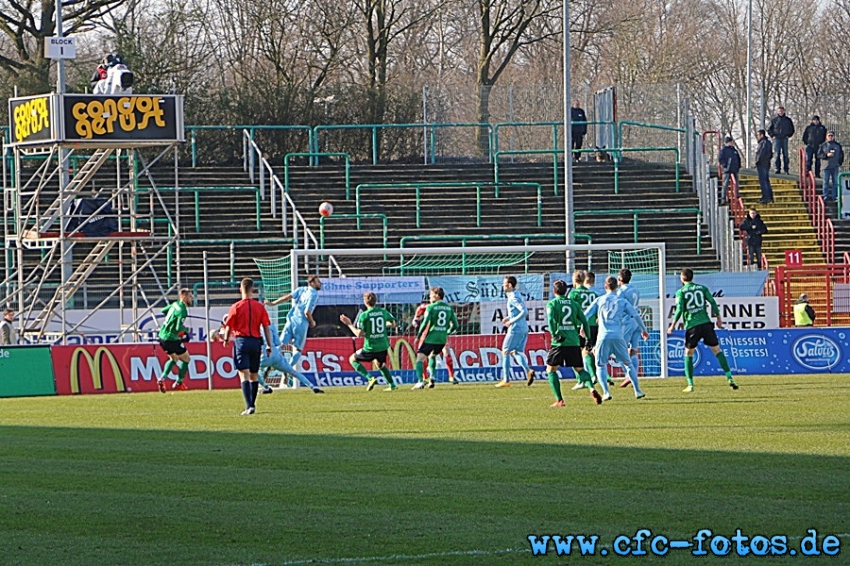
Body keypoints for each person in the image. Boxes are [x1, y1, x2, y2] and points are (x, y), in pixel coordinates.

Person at [667, 268, 738, 392]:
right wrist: (719, 318)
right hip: (706, 324)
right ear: (692, 277)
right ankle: (729, 378)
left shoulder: (681, 292)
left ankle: (690, 384)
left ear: (682, 278)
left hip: (692, 326)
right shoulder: (702, 288)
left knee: (688, 353)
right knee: (717, 350)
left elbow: (679, 309)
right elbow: (712, 302)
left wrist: (672, 325)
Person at [584, 276, 649, 401]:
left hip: (603, 336)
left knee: (601, 365)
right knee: (628, 364)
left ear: (605, 287)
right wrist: (644, 330)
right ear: (617, 286)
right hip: (618, 336)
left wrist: (582, 328)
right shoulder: (622, 301)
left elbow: (586, 315)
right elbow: (635, 314)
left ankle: (606, 392)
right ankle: (637, 390)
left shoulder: (599, 300)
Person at [545, 279, 601, 407]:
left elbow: (551, 320)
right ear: (566, 291)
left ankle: (560, 400)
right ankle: (591, 388)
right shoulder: (574, 304)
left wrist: (554, 334)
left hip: (559, 343)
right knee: (580, 369)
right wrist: (587, 339)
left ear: (554, 291)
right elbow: (584, 321)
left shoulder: (552, 304)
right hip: (574, 341)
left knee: (551, 370)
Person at [222, 278, 274, 415]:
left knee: (243, 374)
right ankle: (253, 405)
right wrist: (269, 345)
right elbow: (266, 327)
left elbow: (229, 326)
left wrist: (226, 339)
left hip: (242, 341)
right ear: (253, 289)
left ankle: (249, 405)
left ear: (241, 289)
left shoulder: (236, 307)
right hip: (256, 342)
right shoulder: (260, 307)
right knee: (254, 375)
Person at [340, 292, 397, 392]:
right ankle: (392, 385)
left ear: (365, 302)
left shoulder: (364, 315)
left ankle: (370, 378)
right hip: (383, 346)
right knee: (380, 365)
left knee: (352, 359)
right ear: (376, 301)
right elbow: (393, 324)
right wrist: (381, 326)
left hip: (370, 347)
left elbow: (358, 333)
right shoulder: (383, 312)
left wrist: (349, 324)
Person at [266, 274, 322, 369]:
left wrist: (273, 303)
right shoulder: (314, 294)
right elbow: (307, 312)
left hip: (291, 320)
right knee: (298, 350)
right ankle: (287, 369)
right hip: (301, 324)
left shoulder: (301, 289)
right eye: (318, 282)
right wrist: (312, 322)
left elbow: (287, 297)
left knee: (281, 345)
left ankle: (269, 362)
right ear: (312, 283)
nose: (320, 283)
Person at [412, 287, 459, 390]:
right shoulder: (449, 308)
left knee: (419, 359)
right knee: (432, 356)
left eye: (431, 294)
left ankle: (420, 381)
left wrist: (418, 335)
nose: (429, 296)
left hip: (430, 338)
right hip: (442, 339)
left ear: (437, 295)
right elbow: (456, 325)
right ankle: (432, 376)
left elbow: (425, 322)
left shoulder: (431, 307)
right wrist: (446, 332)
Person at [495, 275, 535, 388]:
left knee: (505, 351)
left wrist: (511, 321)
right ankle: (528, 371)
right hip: (524, 328)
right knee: (516, 352)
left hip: (516, 328)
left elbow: (524, 312)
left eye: (505, 284)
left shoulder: (513, 297)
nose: (503, 285)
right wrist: (508, 317)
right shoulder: (515, 295)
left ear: (510, 285)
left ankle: (506, 380)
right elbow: (518, 311)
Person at [261, 324, 324, 393]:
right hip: (276, 354)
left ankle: (266, 387)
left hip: (265, 355)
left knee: (250, 371)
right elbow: (278, 343)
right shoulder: (271, 326)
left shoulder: (253, 327)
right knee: (293, 372)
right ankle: (312, 386)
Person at [157, 288, 193, 392]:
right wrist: (186, 329)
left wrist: (171, 319)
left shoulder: (174, 304)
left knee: (174, 359)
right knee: (186, 359)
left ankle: (162, 378)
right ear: (184, 297)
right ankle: (179, 383)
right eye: (190, 297)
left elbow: (163, 311)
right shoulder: (182, 310)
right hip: (172, 338)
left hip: (162, 337)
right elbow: (178, 328)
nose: (192, 299)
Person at [616, 268, 644, 390]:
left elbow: (618, 307)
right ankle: (633, 376)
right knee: (633, 350)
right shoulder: (636, 289)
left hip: (626, 322)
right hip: (636, 321)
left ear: (620, 279)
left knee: (620, 350)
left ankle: (629, 375)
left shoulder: (621, 291)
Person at [767, 106, 795, 175]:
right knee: (777, 154)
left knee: (785, 154)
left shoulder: (788, 120)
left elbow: (792, 129)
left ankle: (786, 169)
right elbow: (769, 129)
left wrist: (788, 135)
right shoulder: (774, 120)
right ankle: (777, 168)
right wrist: (772, 135)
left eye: (782, 111)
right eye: (779, 111)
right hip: (777, 139)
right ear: (777, 112)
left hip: (785, 139)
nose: (780, 112)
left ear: (784, 111)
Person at [817, 131, 844, 202]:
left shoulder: (837, 145)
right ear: (826, 136)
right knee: (825, 182)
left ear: (834, 136)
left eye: (832, 136)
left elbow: (841, 155)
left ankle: (834, 196)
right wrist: (826, 155)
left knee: (835, 182)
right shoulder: (823, 145)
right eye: (829, 135)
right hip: (826, 167)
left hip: (835, 166)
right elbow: (819, 155)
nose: (830, 137)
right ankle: (825, 196)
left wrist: (839, 163)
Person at [718, 136, 741, 204]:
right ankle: (723, 198)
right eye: (731, 142)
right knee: (725, 184)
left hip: (734, 169)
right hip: (727, 170)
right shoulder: (724, 150)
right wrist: (725, 165)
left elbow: (738, 158)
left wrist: (738, 166)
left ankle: (736, 195)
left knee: (736, 183)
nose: (732, 143)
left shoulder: (734, 150)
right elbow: (720, 158)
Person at [755, 129, 774, 204]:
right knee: (766, 181)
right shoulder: (768, 143)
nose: (757, 137)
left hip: (762, 164)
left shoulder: (763, 143)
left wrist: (757, 161)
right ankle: (770, 197)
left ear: (762, 135)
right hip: (766, 164)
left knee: (763, 181)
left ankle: (766, 197)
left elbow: (761, 153)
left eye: (758, 135)